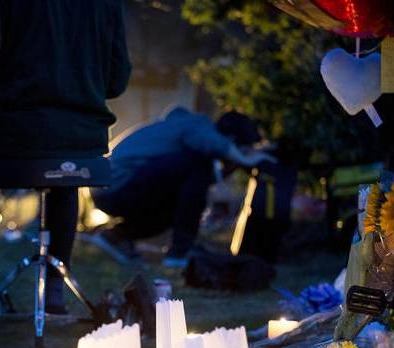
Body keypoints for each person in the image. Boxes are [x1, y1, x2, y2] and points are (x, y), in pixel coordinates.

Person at [0, 0, 131, 314]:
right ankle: (56, 288)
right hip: (82, 137)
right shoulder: (108, 6)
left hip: (15, 133)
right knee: (66, 178)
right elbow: (117, 81)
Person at [91, 106, 276, 268]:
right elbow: (212, 148)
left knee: (173, 209)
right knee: (197, 167)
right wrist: (244, 158)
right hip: (117, 186)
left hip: (116, 187)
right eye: (241, 149)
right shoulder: (197, 126)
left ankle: (115, 236)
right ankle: (179, 255)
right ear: (231, 139)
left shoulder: (184, 133)